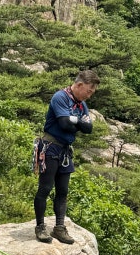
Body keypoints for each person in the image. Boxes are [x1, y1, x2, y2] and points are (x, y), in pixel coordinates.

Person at [33, 69, 99, 244]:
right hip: (50, 147)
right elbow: (63, 124)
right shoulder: (60, 97)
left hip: (65, 150)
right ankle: (40, 227)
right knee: (45, 188)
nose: (89, 95)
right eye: (89, 91)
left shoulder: (80, 104)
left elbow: (89, 129)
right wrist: (79, 122)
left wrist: (74, 121)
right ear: (79, 85)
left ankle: (59, 228)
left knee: (62, 191)